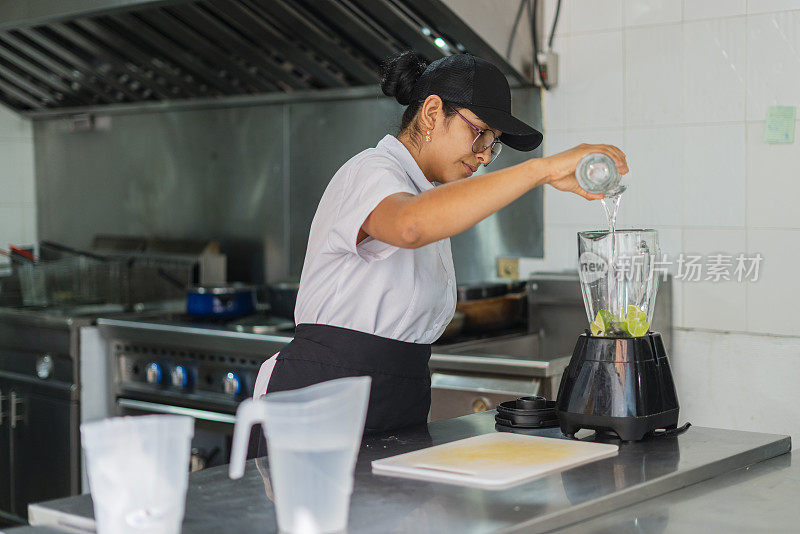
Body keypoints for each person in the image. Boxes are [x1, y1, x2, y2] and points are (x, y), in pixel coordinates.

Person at [253, 51, 628, 433]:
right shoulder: (371, 171)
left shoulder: (425, 193)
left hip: (397, 401)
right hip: (319, 400)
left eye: (493, 144)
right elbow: (408, 225)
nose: (484, 154)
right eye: (480, 132)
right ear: (432, 112)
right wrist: (541, 170)